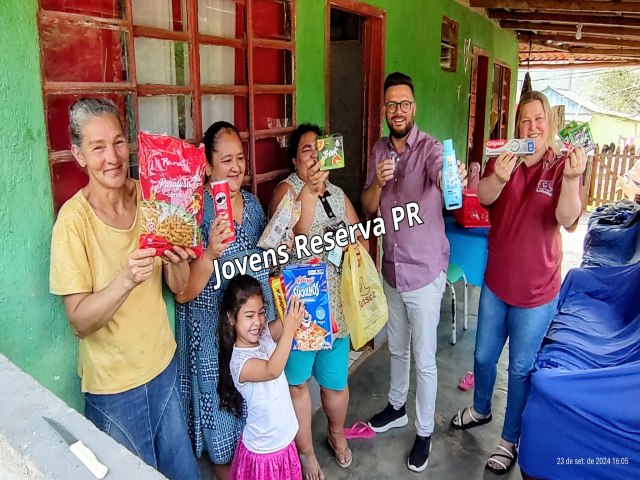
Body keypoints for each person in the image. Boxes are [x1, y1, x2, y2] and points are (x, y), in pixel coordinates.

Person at [49, 98, 200, 480]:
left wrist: (179, 257)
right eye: (97, 147)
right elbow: (79, 322)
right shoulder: (73, 223)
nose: (112, 157)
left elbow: (179, 288)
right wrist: (126, 279)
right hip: (113, 390)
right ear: (79, 155)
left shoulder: (151, 199)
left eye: (118, 142)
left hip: (163, 368)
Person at [450, 90, 586, 475]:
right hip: (497, 283)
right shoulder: (505, 158)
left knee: (521, 369)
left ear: (550, 124)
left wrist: (573, 179)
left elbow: (566, 217)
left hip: (537, 292)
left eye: (538, 119)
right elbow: (485, 198)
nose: (531, 127)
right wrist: (499, 175)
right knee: (481, 357)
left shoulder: (562, 166)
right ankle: (479, 409)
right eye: (524, 120)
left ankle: (509, 439)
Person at [361, 72, 467, 473]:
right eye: (391, 105)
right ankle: (397, 406)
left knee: (425, 358)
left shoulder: (431, 149)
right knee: (398, 347)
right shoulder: (378, 150)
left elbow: (443, 175)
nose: (398, 111)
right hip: (393, 268)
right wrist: (378, 182)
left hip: (425, 272)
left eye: (405, 104)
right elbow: (369, 205)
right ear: (385, 110)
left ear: (414, 107)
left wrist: (449, 177)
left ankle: (424, 430)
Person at [175, 121, 276, 480]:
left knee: (254, 415)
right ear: (207, 165)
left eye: (240, 159)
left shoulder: (251, 204)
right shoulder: (193, 209)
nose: (236, 168)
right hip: (210, 338)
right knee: (221, 424)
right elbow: (183, 291)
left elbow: (264, 264)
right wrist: (210, 254)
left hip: (249, 332)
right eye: (226, 160)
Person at [269, 123, 367, 480]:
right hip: (301, 310)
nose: (313, 154)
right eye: (306, 150)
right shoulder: (286, 191)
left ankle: (337, 434)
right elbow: (296, 232)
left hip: (336, 309)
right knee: (298, 384)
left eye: (318, 148)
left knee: (336, 384)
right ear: (295, 161)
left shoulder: (338, 195)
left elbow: (361, 239)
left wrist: (353, 244)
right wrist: (310, 190)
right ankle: (307, 453)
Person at [217, 274, 305, 480]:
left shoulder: (263, 335)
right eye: (249, 315)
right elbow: (272, 370)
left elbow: (285, 321)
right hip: (264, 452)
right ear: (231, 318)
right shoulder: (240, 363)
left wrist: (298, 298)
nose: (257, 321)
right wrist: (290, 330)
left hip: (285, 441)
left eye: (261, 313)